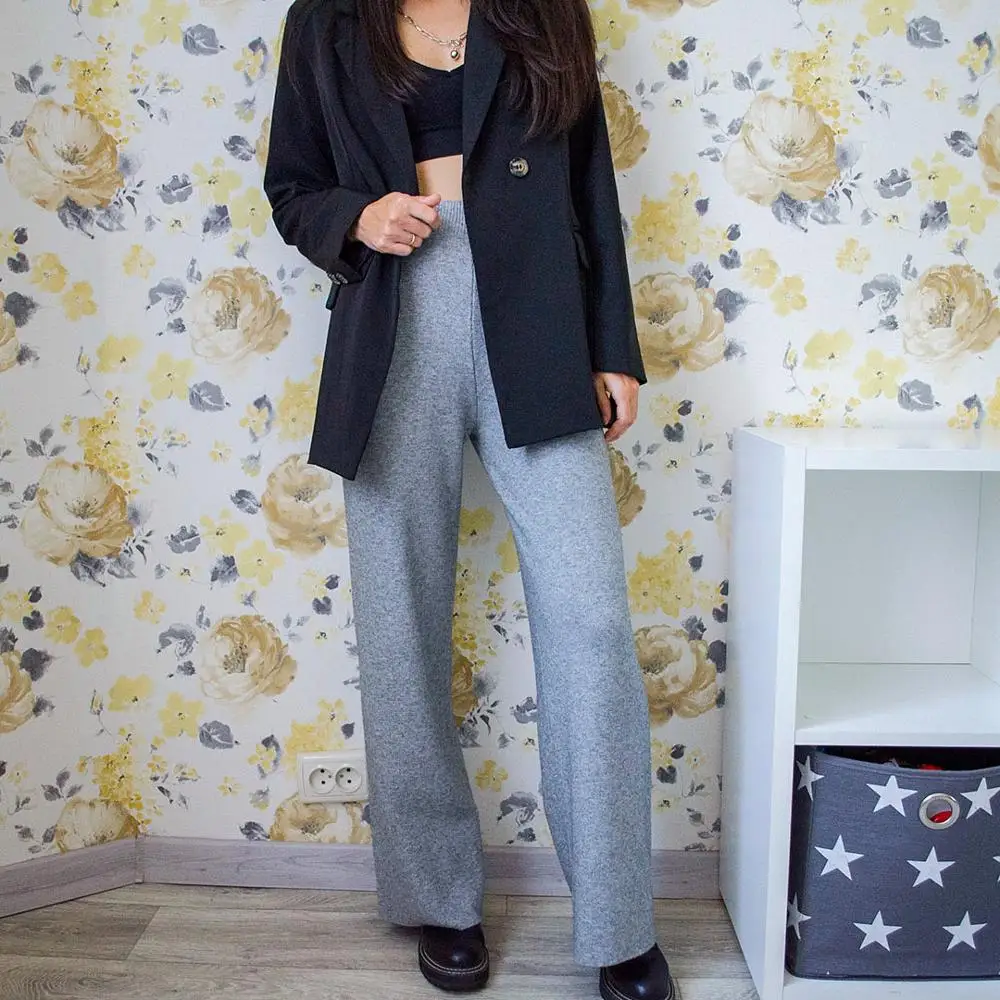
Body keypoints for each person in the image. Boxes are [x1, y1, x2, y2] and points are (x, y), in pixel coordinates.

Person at [263, 1, 672, 997]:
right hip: (397, 310)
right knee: (400, 620)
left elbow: (591, 180)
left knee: (591, 620)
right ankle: (439, 899)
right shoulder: (326, 19)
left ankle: (619, 922)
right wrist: (358, 217)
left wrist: (613, 347)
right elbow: (292, 186)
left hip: (540, 315)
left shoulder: (544, 10)